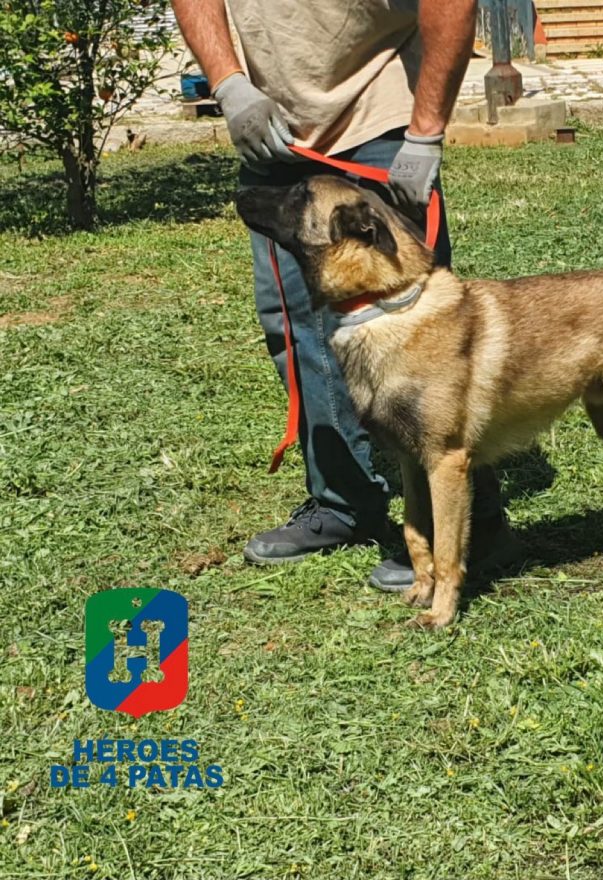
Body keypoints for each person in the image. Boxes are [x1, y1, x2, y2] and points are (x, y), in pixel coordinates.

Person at [171, 0, 515, 590]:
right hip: (273, 124)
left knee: (418, 328)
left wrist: (425, 133)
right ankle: (341, 503)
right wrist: (229, 84)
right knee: (294, 322)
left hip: (382, 112)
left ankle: (472, 528)